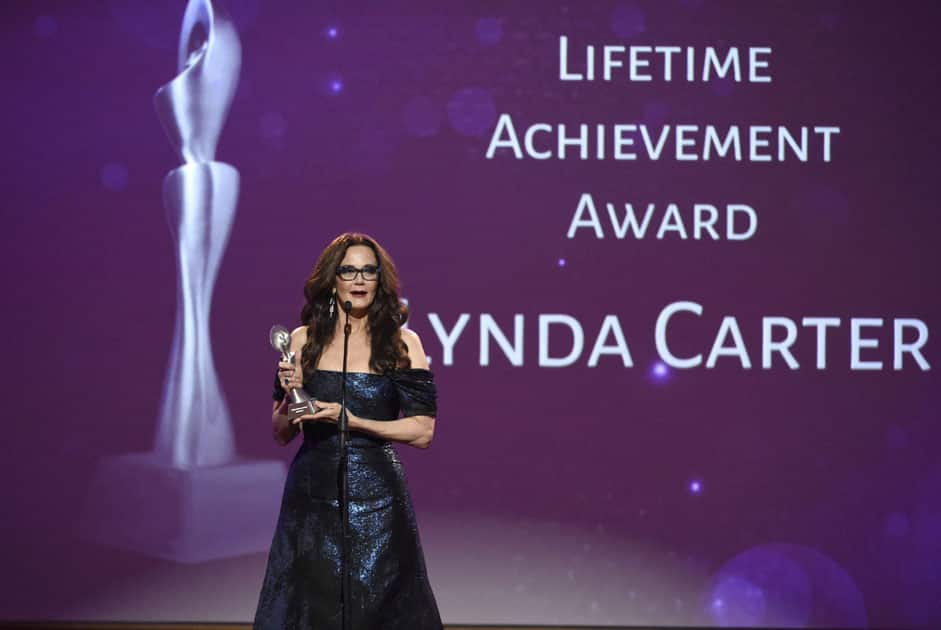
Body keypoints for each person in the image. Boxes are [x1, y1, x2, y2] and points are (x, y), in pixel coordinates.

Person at [253, 233, 443, 630]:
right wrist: (294, 394)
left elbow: (423, 431)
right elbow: (281, 432)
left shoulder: (403, 343)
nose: (359, 280)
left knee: (377, 611)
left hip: (377, 499)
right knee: (309, 610)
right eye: (349, 270)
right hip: (311, 496)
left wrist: (352, 420)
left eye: (368, 271)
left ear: (380, 280)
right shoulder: (301, 340)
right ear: (332, 279)